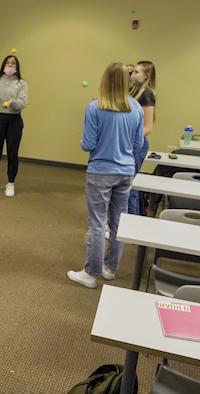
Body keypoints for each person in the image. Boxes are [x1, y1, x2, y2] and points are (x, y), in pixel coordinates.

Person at [67, 62, 143, 289]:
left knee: (98, 224)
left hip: (101, 172)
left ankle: (90, 274)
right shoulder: (136, 108)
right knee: (118, 222)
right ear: (126, 82)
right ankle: (110, 269)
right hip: (126, 172)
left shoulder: (94, 106)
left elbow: (88, 144)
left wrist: (85, 143)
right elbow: (138, 144)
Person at [0, 55, 29, 197]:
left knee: (12, 153)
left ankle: (10, 183)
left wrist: (12, 103)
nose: (10, 65)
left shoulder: (21, 83)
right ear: (3, 65)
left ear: (17, 66)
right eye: (8, 63)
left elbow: (22, 103)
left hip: (14, 120)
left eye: (13, 63)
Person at [128, 61, 156, 215]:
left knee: (128, 185)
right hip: (130, 144)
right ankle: (121, 220)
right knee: (124, 185)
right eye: (132, 72)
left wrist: (129, 138)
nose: (133, 75)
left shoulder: (147, 94)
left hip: (136, 145)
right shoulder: (134, 92)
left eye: (137, 72)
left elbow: (148, 127)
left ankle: (129, 222)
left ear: (147, 76)